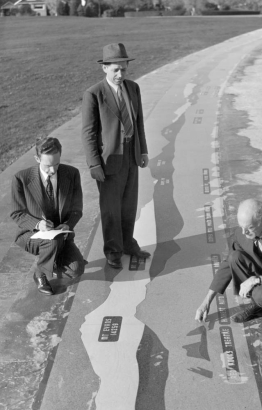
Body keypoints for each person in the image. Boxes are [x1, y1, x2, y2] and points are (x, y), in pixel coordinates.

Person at [81, 43, 150, 269]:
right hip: (109, 162)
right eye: (115, 70)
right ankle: (113, 251)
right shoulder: (94, 94)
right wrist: (94, 164)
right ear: (104, 69)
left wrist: (143, 150)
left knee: (129, 205)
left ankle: (128, 243)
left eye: (123, 69)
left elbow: (138, 121)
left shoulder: (134, 88)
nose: (120, 75)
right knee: (111, 209)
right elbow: (88, 133)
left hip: (131, 155)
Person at [10, 137, 85, 295]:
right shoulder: (20, 178)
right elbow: (17, 213)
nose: (53, 170)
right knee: (53, 243)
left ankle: (52, 259)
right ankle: (40, 274)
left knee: (76, 270)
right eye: (48, 165)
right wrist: (38, 224)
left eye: (57, 164)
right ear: (37, 159)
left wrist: (68, 225)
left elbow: (77, 209)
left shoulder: (72, 174)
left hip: (61, 235)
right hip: (31, 235)